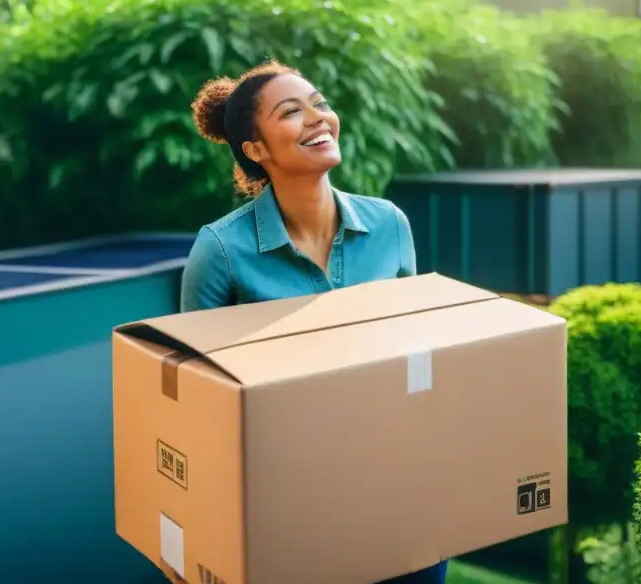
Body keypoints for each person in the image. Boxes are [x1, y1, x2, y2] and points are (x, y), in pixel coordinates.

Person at [179, 59, 449, 584]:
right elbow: (196, 399)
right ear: (254, 149)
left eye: (320, 104)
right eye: (291, 112)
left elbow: (416, 350)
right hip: (288, 502)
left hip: (397, 486)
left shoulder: (390, 225)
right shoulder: (221, 250)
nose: (317, 118)